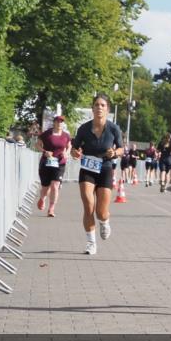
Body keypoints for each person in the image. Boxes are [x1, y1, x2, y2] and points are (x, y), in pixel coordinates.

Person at [71, 94, 124, 255]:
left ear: (107, 109)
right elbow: (74, 149)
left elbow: (122, 149)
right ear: (92, 108)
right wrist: (76, 153)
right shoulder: (84, 128)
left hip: (105, 168)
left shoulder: (113, 128)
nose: (99, 108)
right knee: (88, 205)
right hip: (87, 168)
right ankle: (91, 243)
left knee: (101, 211)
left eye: (102, 105)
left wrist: (114, 152)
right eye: (96, 105)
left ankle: (104, 221)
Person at [36, 115, 71, 217]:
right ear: (54, 123)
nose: (60, 123)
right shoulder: (46, 134)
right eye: (58, 121)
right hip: (46, 162)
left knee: (55, 186)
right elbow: (37, 145)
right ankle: (42, 198)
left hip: (60, 163)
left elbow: (69, 146)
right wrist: (44, 151)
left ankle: (51, 209)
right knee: (45, 187)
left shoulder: (66, 135)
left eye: (62, 122)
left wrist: (67, 153)